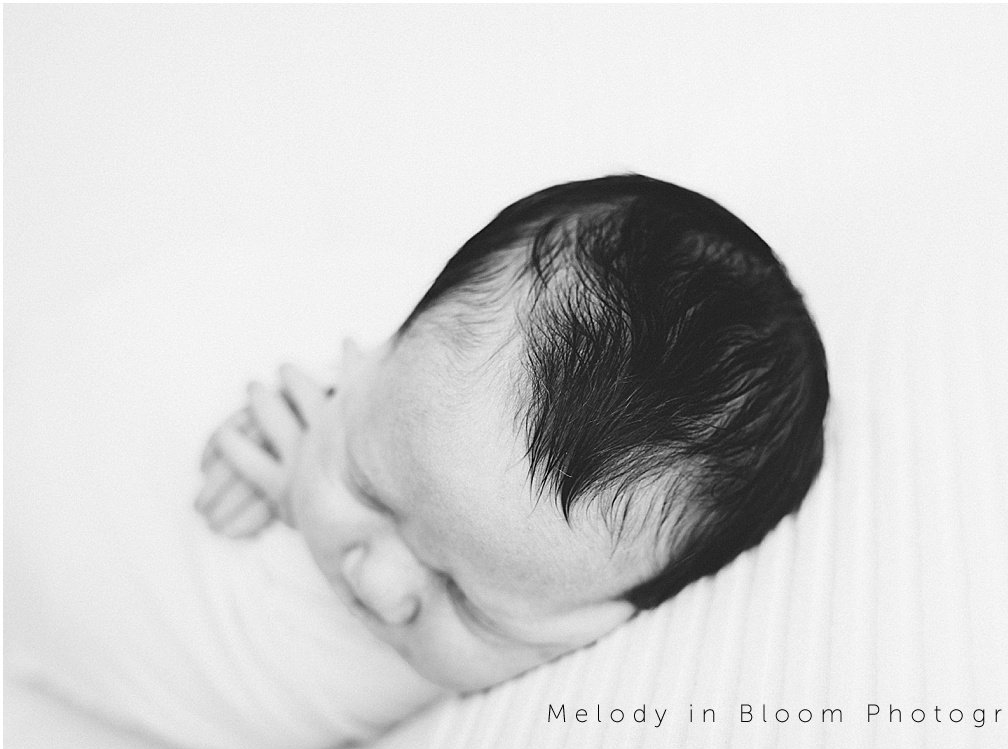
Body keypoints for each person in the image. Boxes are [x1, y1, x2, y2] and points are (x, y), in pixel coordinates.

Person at [194, 173, 829, 696]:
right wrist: (269, 453)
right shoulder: (365, 401)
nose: (377, 585)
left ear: (605, 624)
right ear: (371, 359)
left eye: (469, 605)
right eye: (367, 490)